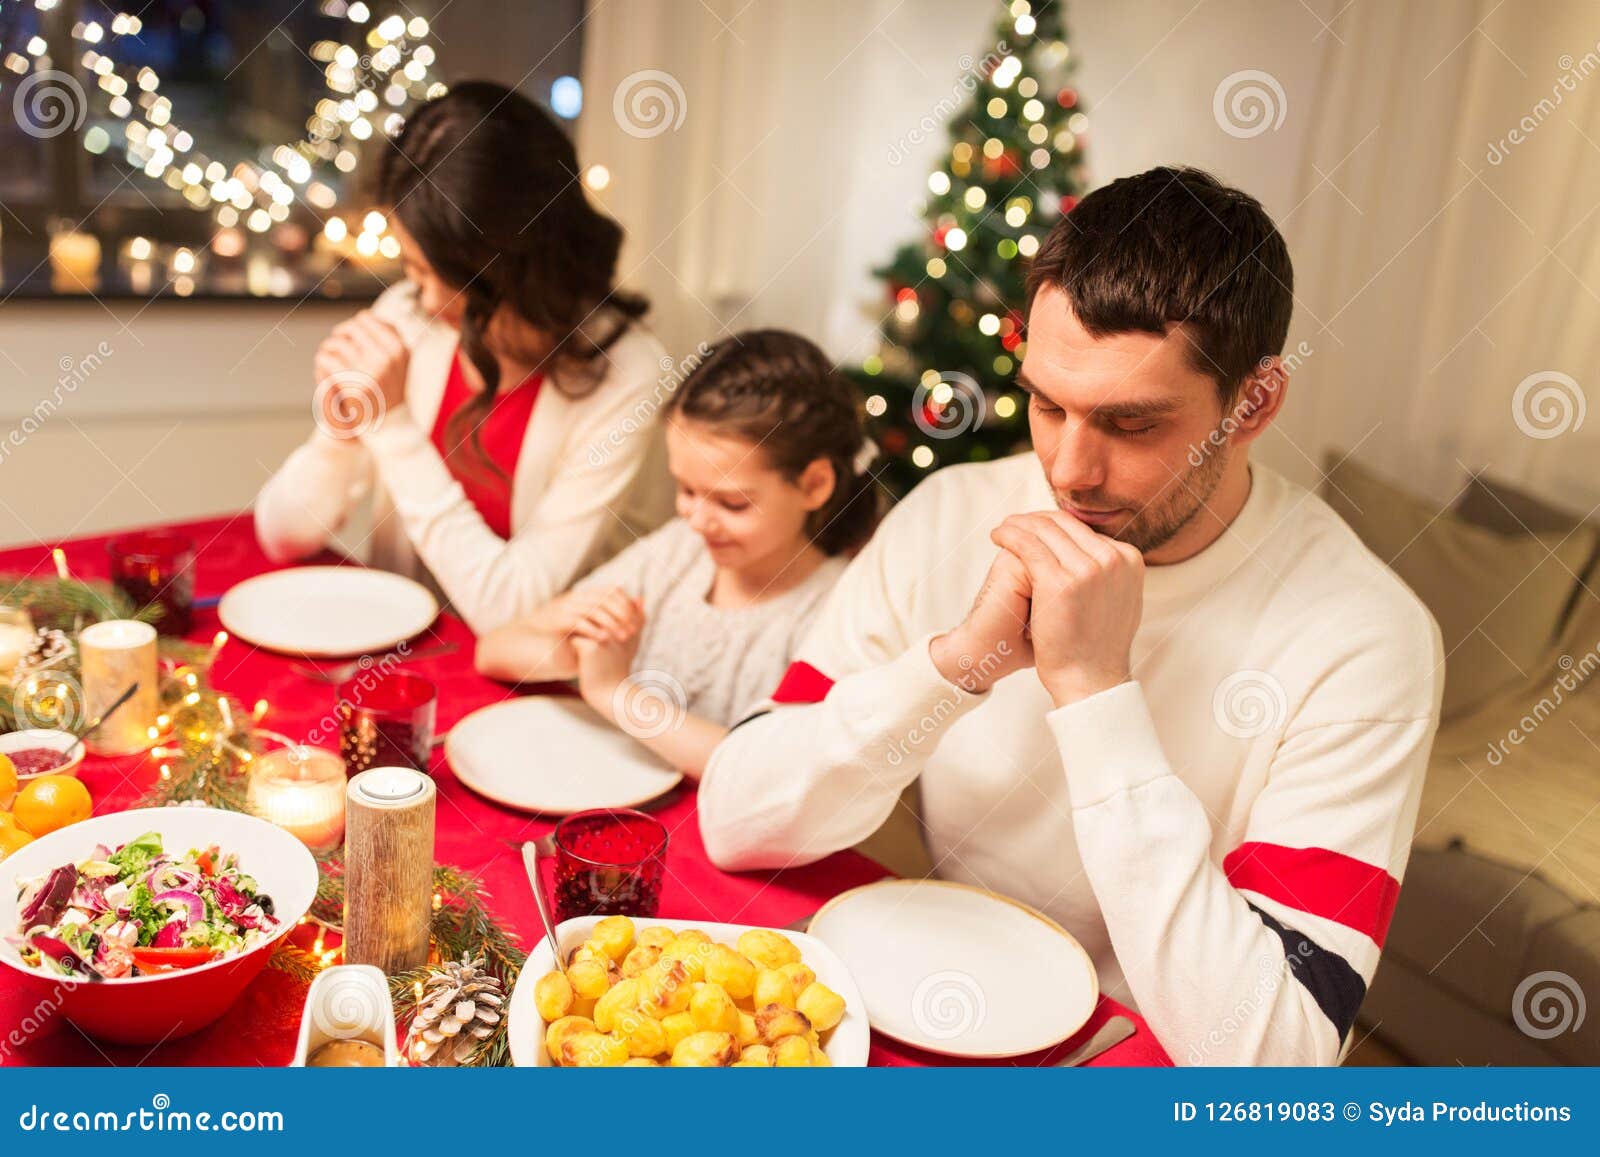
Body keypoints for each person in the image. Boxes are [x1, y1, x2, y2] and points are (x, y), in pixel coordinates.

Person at [697, 167, 1445, 1066]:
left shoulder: (1366, 638)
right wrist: (952, 668)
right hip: (919, 1008)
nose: (1069, 469)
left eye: (1131, 425)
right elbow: (735, 821)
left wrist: (1096, 695)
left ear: (1256, 401)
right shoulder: (947, 515)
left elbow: (1273, 1057)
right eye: (1048, 404)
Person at [254, 81, 671, 634]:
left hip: (535, 689)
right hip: (397, 669)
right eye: (411, 268)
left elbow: (511, 610)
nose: (418, 296)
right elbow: (282, 535)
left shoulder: (626, 371)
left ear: (504, 266)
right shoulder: (408, 317)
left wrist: (395, 424)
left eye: (432, 274)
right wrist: (339, 430)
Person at [477, 330, 878, 779]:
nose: (697, 519)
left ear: (814, 485)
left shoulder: (833, 614)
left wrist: (614, 691)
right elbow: (493, 650)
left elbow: (767, 778)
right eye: (686, 489)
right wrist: (577, 651)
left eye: (732, 503)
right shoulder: (679, 550)